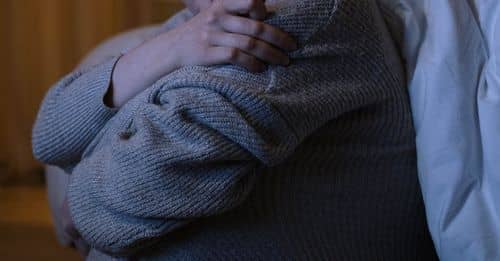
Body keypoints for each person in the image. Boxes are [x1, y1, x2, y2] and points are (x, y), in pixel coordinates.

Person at [33, 0, 439, 260]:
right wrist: (169, 47)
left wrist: (79, 200)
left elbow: (138, 187)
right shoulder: (199, 23)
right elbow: (49, 136)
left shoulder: (302, 16)